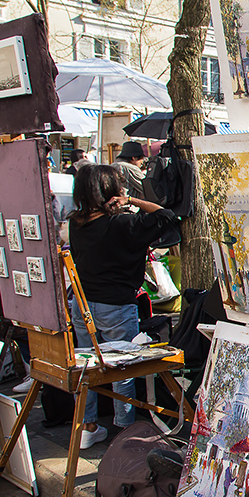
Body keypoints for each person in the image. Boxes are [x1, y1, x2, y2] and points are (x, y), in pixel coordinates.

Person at [69, 164, 181, 448]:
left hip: (82, 304)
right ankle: (123, 429)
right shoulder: (120, 224)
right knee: (122, 368)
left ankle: (88, 426)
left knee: (87, 367)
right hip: (116, 305)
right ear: (109, 192)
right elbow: (166, 217)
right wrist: (130, 201)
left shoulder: (76, 223)